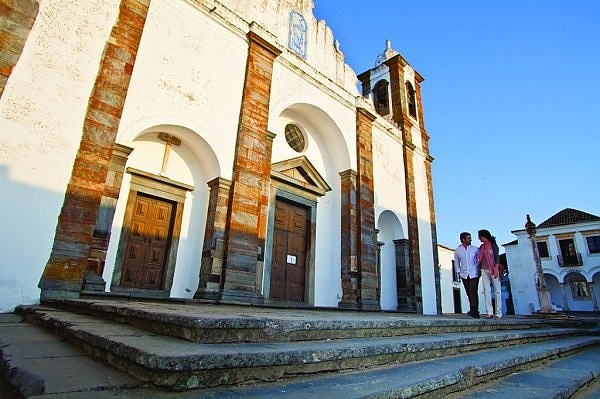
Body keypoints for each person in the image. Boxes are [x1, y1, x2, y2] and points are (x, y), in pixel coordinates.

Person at [454, 232, 480, 318]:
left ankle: (475, 310)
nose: (470, 239)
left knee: (473, 291)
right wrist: (458, 272)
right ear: (463, 240)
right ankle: (472, 309)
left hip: (474, 273)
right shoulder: (458, 250)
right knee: (469, 292)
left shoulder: (475, 249)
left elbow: (479, 259)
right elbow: (457, 262)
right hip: (464, 274)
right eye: (468, 238)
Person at [477, 229, 502, 319]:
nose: (478, 238)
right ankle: (489, 312)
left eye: (479, 236)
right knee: (486, 290)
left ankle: (498, 313)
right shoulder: (481, 247)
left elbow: (497, 258)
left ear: (484, 236)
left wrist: (496, 268)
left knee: (497, 291)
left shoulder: (494, 246)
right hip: (484, 270)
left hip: (493, 269)